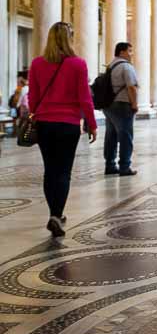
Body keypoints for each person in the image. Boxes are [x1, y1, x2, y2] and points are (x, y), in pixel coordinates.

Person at [28, 22, 97, 238]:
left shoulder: (37, 64)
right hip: (68, 124)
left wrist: (36, 114)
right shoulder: (78, 64)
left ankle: (53, 213)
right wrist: (92, 124)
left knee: (50, 170)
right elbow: (84, 98)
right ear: (69, 39)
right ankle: (57, 214)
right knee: (64, 171)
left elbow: (32, 97)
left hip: (45, 124)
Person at [103, 42, 138, 176]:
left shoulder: (110, 65)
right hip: (122, 104)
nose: (131, 54)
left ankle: (110, 164)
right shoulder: (126, 66)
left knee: (110, 135)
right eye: (129, 51)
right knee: (125, 136)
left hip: (109, 105)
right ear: (122, 52)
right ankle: (124, 166)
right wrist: (134, 103)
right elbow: (131, 87)